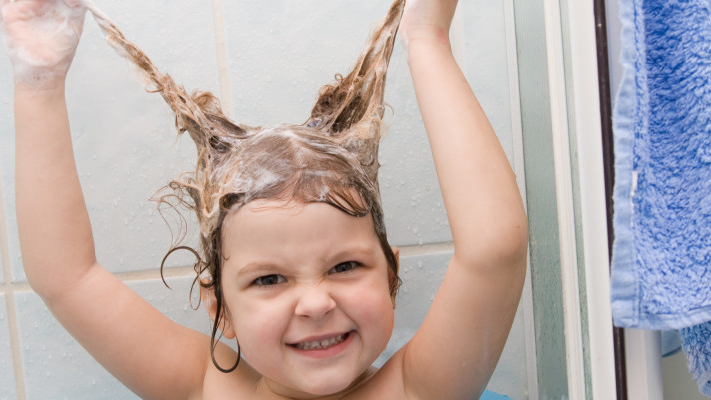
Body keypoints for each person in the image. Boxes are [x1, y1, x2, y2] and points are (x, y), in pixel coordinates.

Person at [3, 0, 528, 398]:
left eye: (346, 266)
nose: (318, 303)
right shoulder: (206, 388)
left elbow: (494, 248)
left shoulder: (420, 388)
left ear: (391, 276)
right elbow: (66, 278)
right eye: (269, 279)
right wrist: (37, 79)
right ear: (220, 309)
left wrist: (427, 39)